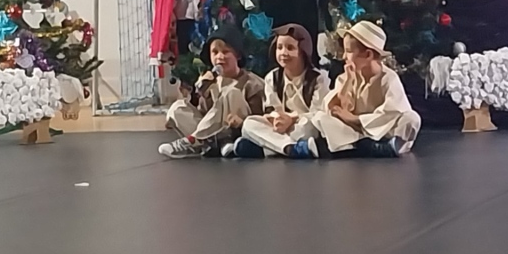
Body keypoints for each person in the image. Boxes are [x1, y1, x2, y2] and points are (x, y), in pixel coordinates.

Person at [313, 20, 421, 157]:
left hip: (380, 129)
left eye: (349, 51)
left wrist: (356, 119)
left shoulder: (388, 78)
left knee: (411, 119)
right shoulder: (345, 77)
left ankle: (385, 146)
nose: (344, 56)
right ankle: (362, 145)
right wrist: (348, 82)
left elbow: (392, 111)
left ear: (368, 55)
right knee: (321, 117)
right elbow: (336, 109)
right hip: (355, 130)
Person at [158, 24, 264, 159]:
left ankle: (195, 140)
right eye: (215, 52)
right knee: (177, 108)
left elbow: (258, 117)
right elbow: (205, 115)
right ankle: (215, 144)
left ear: (237, 55)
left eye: (225, 52)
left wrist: (241, 121)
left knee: (231, 92)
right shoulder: (212, 80)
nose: (220, 57)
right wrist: (204, 92)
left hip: (239, 130)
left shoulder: (253, 82)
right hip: (213, 132)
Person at [233, 23, 329, 159]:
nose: (284, 53)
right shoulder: (272, 77)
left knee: (310, 127)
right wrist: (277, 119)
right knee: (249, 124)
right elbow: (272, 109)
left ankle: (266, 149)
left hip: (301, 124)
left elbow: (317, 112)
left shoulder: (318, 78)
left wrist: (292, 119)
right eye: (279, 47)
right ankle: (291, 148)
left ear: (303, 51)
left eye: (290, 48)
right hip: (282, 126)